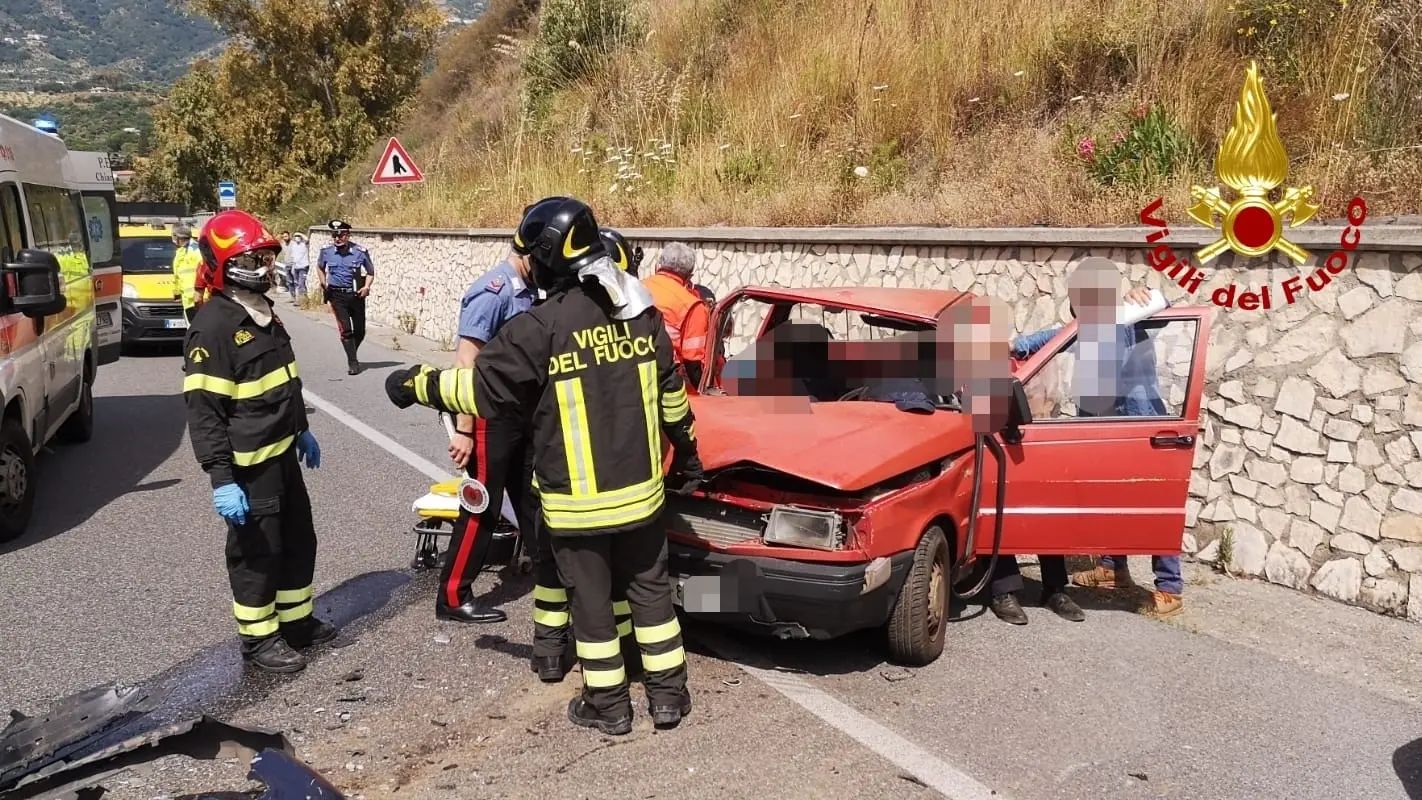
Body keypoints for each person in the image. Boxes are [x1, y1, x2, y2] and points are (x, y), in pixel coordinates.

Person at [385, 196, 702, 736]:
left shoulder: (540, 327)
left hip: (578, 506)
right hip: (643, 496)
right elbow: (674, 400)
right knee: (651, 591)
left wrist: (414, 384)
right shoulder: (641, 312)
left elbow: (479, 388)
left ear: (549, 256)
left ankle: (608, 705)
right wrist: (688, 455)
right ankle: (669, 697)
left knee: (592, 603)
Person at [182, 209, 333, 674]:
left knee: (297, 540)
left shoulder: (265, 314)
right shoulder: (214, 326)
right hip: (248, 469)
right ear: (224, 264)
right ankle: (258, 639)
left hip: (282, 454)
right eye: (253, 260)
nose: (265, 269)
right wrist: (220, 479)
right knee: (256, 554)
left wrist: (300, 429)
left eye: (268, 259)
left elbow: (283, 381)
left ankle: (295, 622)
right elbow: (205, 412)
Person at [436, 244, 541, 624]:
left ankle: (553, 578)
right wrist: (464, 428)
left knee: (532, 500)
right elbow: (467, 361)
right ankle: (452, 595)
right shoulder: (493, 291)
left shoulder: (530, 290)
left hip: (519, 417)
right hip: (486, 417)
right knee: (482, 506)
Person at [642, 242, 711, 388]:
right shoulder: (692, 306)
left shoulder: (636, 287)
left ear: (658, 266)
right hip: (665, 379)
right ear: (688, 276)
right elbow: (693, 363)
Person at [315, 219, 374, 375]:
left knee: (360, 331)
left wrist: (366, 287)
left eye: (340, 235)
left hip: (356, 296)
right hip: (337, 295)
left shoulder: (360, 251)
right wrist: (323, 283)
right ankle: (353, 362)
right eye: (334, 235)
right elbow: (320, 267)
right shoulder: (326, 251)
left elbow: (370, 272)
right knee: (346, 330)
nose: (337, 238)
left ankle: (352, 352)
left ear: (348, 235)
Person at [171, 222, 203, 323]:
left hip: (197, 301)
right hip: (188, 300)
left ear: (176, 236)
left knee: (197, 332)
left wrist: (202, 295)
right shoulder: (182, 251)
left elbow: (205, 272)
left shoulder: (195, 250)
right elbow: (179, 275)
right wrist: (177, 292)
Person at [287, 232, 310, 300]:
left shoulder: (304, 244)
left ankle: (302, 300)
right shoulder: (294, 245)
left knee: (301, 284)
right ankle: (298, 298)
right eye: (295, 236)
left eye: (298, 236)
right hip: (296, 267)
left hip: (303, 266)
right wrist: (293, 267)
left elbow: (307, 239)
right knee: (297, 283)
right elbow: (293, 257)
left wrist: (300, 234)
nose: (297, 237)